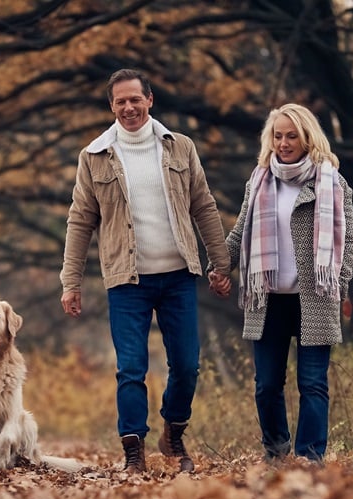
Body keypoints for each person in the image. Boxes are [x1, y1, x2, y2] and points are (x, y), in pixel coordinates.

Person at [60, 68, 233, 473]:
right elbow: (80, 220)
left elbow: (203, 206)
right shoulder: (94, 156)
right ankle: (133, 449)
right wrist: (71, 282)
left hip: (177, 276)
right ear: (112, 106)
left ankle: (173, 430)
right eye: (120, 101)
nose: (128, 107)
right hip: (127, 281)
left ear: (150, 100)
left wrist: (219, 263)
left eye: (135, 99)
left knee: (187, 364)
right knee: (131, 368)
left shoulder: (180, 148)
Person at [221, 103, 353, 463]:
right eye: (277, 136)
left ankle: (310, 458)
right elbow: (239, 233)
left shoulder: (332, 182)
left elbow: (350, 241)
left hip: (315, 296)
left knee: (312, 383)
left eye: (291, 135)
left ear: (307, 137)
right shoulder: (260, 180)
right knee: (266, 385)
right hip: (268, 299)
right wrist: (220, 266)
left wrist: (339, 283)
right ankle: (277, 452)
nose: (283, 143)